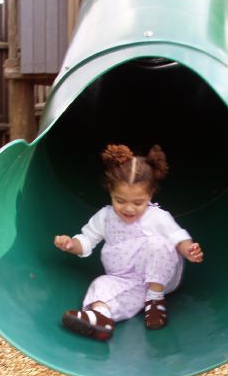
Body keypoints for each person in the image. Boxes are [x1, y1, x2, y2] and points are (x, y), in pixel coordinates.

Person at [54, 144, 204, 340]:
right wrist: (71, 244)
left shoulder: (157, 217)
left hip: (159, 276)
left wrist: (188, 250)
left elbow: (178, 238)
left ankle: (155, 302)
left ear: (149, 195)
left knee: (158, 243)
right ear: (110, 193)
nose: (129, 209)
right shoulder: (105, 217)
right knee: (100, 284)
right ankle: (101, 318)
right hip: (123, 279)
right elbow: (87, 240)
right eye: (120, 200)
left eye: (137, 202)